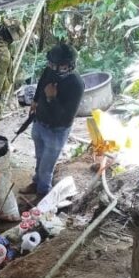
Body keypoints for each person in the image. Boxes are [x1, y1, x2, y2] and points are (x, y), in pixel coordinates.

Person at [22, 42, 85, 196]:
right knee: (39, 157)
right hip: (40, 122)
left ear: (68, 65)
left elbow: (65, 117)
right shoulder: (51, 70)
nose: (51, 67)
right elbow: (42, 82)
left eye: (56, 65)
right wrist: (36, 101)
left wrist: (51, 98)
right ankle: (36, 183)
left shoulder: (76, 84)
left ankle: (43, 195)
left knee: (46, 167)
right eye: (50, 64)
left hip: (56, 130)